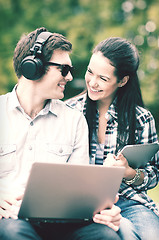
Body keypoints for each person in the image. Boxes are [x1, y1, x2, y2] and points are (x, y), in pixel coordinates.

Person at [0, 27, 139, 240]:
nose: (71, 76)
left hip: (62, 220)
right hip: (11, 220)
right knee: (14, 233)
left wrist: (104, 211)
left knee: (105, 235)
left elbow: (80, 193)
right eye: (64, 69)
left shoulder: (73, 120)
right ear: (33, 68)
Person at [66, 37, 159, 240]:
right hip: (82, 202)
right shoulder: (69, 111)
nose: (92, 82)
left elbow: (152, 176)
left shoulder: (141, 119)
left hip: (130, 202)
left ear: (122, 81)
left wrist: (127, 172)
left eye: (103, 78)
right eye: (90, 72)